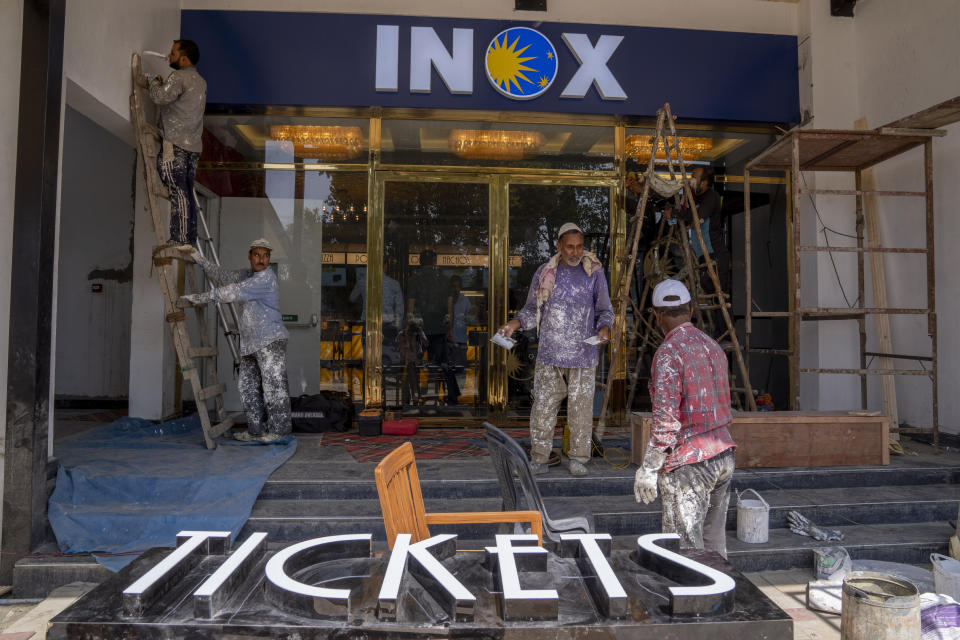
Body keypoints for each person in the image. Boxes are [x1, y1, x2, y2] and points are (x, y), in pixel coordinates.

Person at [498, 223, 614, 477]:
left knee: (581, 410)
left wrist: (604, 329)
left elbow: (605, 310)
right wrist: (514, 324)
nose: (575, 252)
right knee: (543, 407)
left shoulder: (594, 272)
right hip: (550, 353)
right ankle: (539, 458)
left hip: (583, 354)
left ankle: (578, 459)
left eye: (579, 247)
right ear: (559, 246)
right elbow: (531, 310)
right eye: (570, 247)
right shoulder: (545, 272)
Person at [633, 279, 736, 557]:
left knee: (684, 550)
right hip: (723, 454)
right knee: (714, 545)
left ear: (656, 316)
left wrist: (649, 468)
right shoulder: (713, 347)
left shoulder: (668, 354)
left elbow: (666, 422)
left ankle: (693, 600)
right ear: (690, 309)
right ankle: (718, 598)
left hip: (691, 465)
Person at [177, 239, 291, 442]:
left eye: (265, 255)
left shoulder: (265, 279)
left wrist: (198, 298)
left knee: (274, 387)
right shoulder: (247, 275)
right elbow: (223, 277)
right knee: (247, 387)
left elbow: (230, 292)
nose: (261, 259)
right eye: (257, 254)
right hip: (250, 344)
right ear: (250, 256)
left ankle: (278, 431)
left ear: (269, 259)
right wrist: (199, 259)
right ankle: (256, 430)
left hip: (270, 341)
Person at [147, 39, 207, 249]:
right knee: (187, 191)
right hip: (193, 146)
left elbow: (160, 97)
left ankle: (180, 239)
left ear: (183, 58)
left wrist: (153, 82)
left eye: (173, 53)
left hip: (175, 142)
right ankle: (189, 239)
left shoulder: (179, 76)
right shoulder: (200, 81)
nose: (169, 56)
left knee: (176, 189)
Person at [407, 250, 460, 405]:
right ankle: (451, 397)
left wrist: (409, 326)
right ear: (435, 262)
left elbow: (410, 307)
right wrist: (449, 329)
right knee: (443, 364)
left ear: (420, 262)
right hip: (439, 328)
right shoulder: (444, 280)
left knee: (414, 364)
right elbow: (450, 308)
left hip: (419, 328)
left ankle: (413, 397)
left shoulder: (414, 280)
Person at [666, 167, 729, 294]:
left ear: (704, 182)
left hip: (713, 253)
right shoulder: (694, 198)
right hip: (703, 254)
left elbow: (698, 215)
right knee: (709, 290)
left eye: (694, 177)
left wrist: (675, 213)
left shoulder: (711, 196)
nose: (691, 180)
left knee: (717, 295)